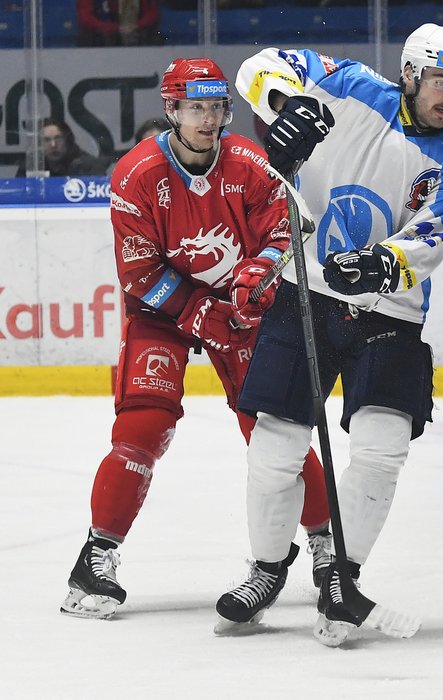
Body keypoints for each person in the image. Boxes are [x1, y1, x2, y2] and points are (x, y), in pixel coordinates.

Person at [220, 23, 443, 643]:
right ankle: (265, 568)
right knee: (274, 450)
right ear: (412, 73)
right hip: (307, 292)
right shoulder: (348, 85)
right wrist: (286, 105)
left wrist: (382, 263)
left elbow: (430, 240)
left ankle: (344, 576)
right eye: (440, 79)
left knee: (381, 449)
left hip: (391, 314)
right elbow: (261, 62)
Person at [60, 58, 333, 621]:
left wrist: (262, 271)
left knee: (274, 431)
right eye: (194, 108)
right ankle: (96, 557)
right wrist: (201, 312)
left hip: (241, 310)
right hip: (164, 312)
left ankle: (328, 551)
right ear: (172, 110)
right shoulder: (136, 176)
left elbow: (282, 234)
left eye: (216, 107)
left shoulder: (254, 166)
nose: (207, 119)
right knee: (142, 424)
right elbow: (138, 273)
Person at [15, 118, 111, 177]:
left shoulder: (88, 166)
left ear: (67, 140)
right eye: (47, 140)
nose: (53, 145)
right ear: (39, 144)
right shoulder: (31, 167)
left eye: (58, 138)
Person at [76, 0, 164, 47]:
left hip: (136, 30)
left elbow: (153, 13)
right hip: (105, 32)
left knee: (155, 35)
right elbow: (85, 18)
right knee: (87, 36)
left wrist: (137, 26)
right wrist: (115, 28)